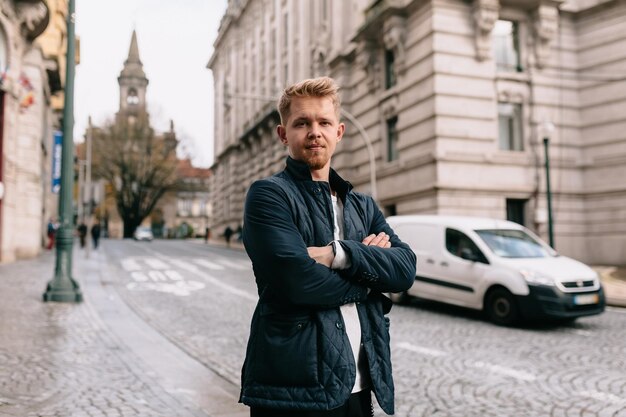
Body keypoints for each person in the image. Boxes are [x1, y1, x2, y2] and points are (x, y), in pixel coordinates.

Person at [240, 77, 416, 417]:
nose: (314, 131)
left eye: (324, 122)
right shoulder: (269, 195)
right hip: (293, 389)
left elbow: (405, 269)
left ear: (339, 132)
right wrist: (371, 280)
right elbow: (297, 281)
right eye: (301, 123)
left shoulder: (362, 205)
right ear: (283, 134)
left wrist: (339, 254)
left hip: (360, 384)